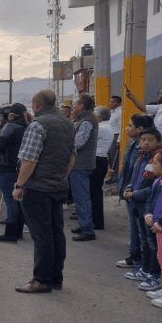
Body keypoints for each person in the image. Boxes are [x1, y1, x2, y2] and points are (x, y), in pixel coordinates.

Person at [13, 90, 75, 293]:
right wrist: (60, 176)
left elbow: (30, 159)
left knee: (41, 235)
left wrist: (19, 185)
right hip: (58, 186)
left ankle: (41, 280)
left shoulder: (38, 125)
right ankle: (56, 277)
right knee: (57, 232)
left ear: (37, 105)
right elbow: (71, 156)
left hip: (37, 188)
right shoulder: (67, 123)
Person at [123, 128, 162, 292]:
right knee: (143, 238)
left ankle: (154, 274)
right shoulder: (142, 156)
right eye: (143, 140)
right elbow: (135, 177)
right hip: (137, 202)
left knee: (152, 242)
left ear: (158, 142)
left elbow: (153, 187)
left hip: (148, 205)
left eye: (150, 140)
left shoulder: (159, 159)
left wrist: (134, 193)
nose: (145, 143)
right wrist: (128, 188)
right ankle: (145, 269)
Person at [115, 114, 154, 268]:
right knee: (135, 228)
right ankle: (136, 257)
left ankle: (143, 263)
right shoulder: (133, 144)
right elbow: (129, 169)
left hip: (140, 195)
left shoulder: (150, 151)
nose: (126, 128)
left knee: (143, 232)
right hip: (131, 192)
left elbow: (145, 176)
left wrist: (134, 191)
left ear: (140, 129)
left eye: (130, 126)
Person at [0, 103, 27, 242]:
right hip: (20, 167)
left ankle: (10, 233)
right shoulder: (25, 126)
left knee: (10, 200)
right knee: (19, 200)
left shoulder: (10, 127)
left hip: (6, 166)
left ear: (11, 115)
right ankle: (18, 231)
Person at [69, 94, 99, 242]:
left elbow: (79, 142)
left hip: (81, 164)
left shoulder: (86, 121)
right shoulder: (84, 120)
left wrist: (65, 141)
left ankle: (87, 230)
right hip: (80, 164)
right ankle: (84, 224)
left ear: (81, 106)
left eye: (75, 104)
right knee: (80, 197)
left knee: (82, 197)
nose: (73, 107)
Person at [145, 151, 162, 307]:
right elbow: (151, 199)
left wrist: (161, 222)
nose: (152, 165)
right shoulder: (158, 181)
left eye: (155, 162)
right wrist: (148, 214)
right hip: (158, 226)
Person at [90, 106, 113, 231]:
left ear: (98, 116)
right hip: (100, 160)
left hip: (97, 160)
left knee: (95, 192)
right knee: (95, 191)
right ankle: (95, 219)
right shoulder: (106, 127)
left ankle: (97, 221)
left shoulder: (101, 128)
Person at [106, 96, 122, 183]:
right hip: (111, 136)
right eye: (110, 102)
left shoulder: (120, 112)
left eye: (113, 102)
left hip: (116, 136)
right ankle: (112, 176)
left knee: (115, 157)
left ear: (119, 103)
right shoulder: (112, 112)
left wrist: (119, 140)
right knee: (111, 158)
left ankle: (115, 176)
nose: (111, 104)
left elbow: (121, 127)